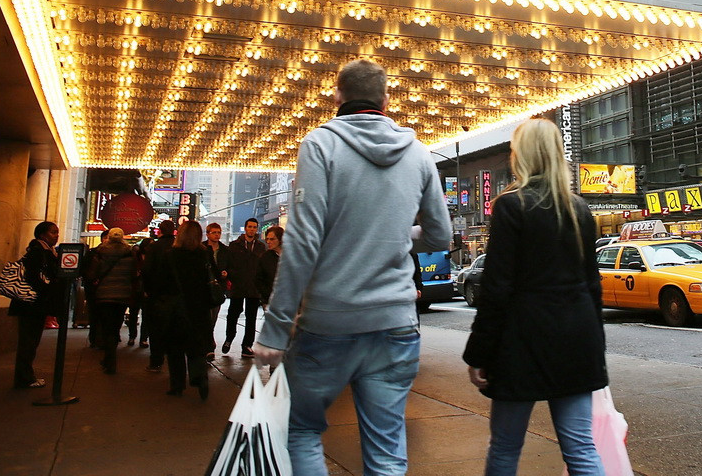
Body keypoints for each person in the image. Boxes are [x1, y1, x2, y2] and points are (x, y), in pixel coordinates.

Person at [253, 58, 451, 475]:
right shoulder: (417, 152)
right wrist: (397, 236)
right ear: (385, 98)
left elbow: (304, 240)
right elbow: (439, 237)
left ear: (337, 95)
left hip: (328, 323)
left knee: (301, 431)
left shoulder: (320, 145)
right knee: (386, 451)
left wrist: (275, 328)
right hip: (396, 323)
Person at [462, 118, 607, 476]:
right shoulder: (579, 209)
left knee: (506, 447)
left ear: (521, 155)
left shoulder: (511, 206)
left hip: (520, 344)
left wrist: (479, 353)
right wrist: (596, 347)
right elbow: (592, 285)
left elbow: (496, 289)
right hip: (576, 340)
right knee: (581, 448)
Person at [146, 219, 213, 399]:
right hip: (198, 309)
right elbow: (210, 280)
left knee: (175, 348)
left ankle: (177, 386)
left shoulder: (170, 255)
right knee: (196, 347)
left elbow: (160, 282)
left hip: (175, 308)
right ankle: (200, 378)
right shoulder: (204, 254)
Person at [9, 221, 60, 389]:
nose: (56, 235)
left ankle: (26, 376)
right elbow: (34, 277)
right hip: (31, 303)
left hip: (34, 303)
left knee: (30, 341)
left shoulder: (44, 250)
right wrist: (46, 290)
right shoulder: (38, 251)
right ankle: (24, 378)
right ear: (42, 234)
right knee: (28, 341)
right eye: (53, 232)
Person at [87, 228, 139, 374]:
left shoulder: (100, 252)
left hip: (104, 295)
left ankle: (109, 359)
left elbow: (92, 273)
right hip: (122, 295)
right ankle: (111, 357)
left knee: (106, 327)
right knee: (115, 327)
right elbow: (134, 275)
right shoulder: (130, 253)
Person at [224, 217, 265, 358]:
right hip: (238, 286)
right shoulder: (235, 246)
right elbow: (229, 264)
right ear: (245, 228)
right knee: (233, 315)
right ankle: (229, 339)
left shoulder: (260, 247)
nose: (252, 229)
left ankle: (247, 345)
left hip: (254, 288)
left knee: (251, 318)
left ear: (257, 229)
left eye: (254, 227)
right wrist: (233, 277)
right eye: (250, 227)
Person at [141, 219, 176, 370]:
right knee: (172, 327)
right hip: (174, 294)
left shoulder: (154, 248)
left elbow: (146, 270)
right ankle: (172, 357)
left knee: (155, 328)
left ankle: (156, 360)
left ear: (159, 231)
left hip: (156, 294)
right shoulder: (178, 247)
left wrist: (148, 290)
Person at [204, 221, 231, 359]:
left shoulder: (225, 250)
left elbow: (230, 266)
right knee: (206, 317)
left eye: (218, 232)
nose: (217, 235)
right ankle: (209, 344)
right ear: (208, 234)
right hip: (204, 287)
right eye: (214, 232)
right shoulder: (202, 248)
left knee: (213, 316)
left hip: (218, 287)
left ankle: (209, 339)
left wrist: (226, 274)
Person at [256, 225, 283, 307]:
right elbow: (258, 280)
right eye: (267, 239)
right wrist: (266, 297)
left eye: (272, 239)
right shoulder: (265, 258)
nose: (268, 242)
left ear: (280, 239)